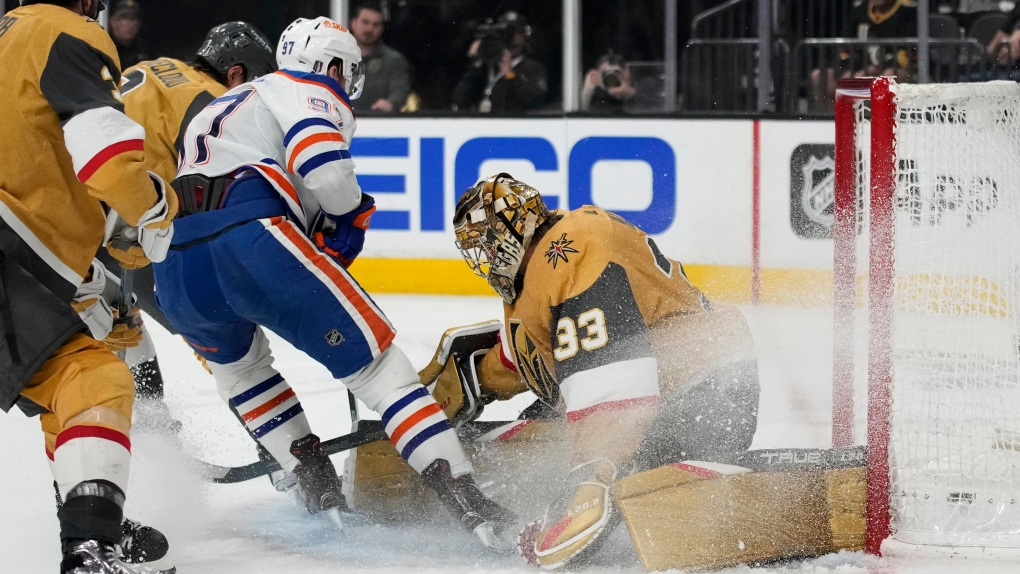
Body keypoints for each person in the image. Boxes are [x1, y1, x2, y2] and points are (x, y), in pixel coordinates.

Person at [152, 16, 516, 546]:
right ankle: (467, 497)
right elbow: (322, 168)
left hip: (174, 261)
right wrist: (348, 217)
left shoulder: (220, 105)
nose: (346, 84)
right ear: (330, 65)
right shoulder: (308, 87)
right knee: (379, 367)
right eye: (345, 71)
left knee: (241, 371)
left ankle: (314, 480)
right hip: (249, 238)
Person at [447, 174, 760, 568]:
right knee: (545, 427)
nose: (485, 255)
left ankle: (668, 474)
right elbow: (528, 359)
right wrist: (472, 380)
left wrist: (586, 481)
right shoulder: (538, 270)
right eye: (476, 246)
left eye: (488, 240)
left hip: (709, 390)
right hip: (670, 386)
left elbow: (613, 391)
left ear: (517, 226)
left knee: (589, 443)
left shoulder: (570, 247)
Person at [0, 1, 176, 572]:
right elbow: (105, 156)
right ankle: (88, 544)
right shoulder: (65, 33)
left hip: (20, 254)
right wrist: (152, 207)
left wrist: (91, 281)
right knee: (94, 382)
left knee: (72, 382)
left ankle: (94, 528)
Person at [99, 21, 277, 432]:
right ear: (235, 74)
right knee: (221, 339)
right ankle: (282, 452)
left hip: (77, 216)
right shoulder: (213, 101)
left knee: (121, 325)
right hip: (130, 227)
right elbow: (218, 194)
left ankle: (153, 429)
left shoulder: (155, 66)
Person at [453, 11, 548, 113]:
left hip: (514, 125)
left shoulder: (532, 68)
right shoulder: (485, 68)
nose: (512, 39)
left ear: (525, 37)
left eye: (518, 33)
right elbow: (460, 100)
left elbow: (535, 101)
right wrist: (476, 64)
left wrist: (510, 75)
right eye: (508, 34)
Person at [349, 1, 412, 114]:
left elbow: (399, 91)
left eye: (376, 25)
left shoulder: (394, 60)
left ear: (382, 29)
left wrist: (390, 103)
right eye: (365, 22)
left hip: (379, 124)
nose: (369, 29)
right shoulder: (336, 57)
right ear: (353, 23)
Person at [107, 0, 148, 69]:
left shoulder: (146, 49)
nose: (131, 24)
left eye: (133, 18)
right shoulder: (104, 48)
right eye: (124, 18)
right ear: (112, 21)